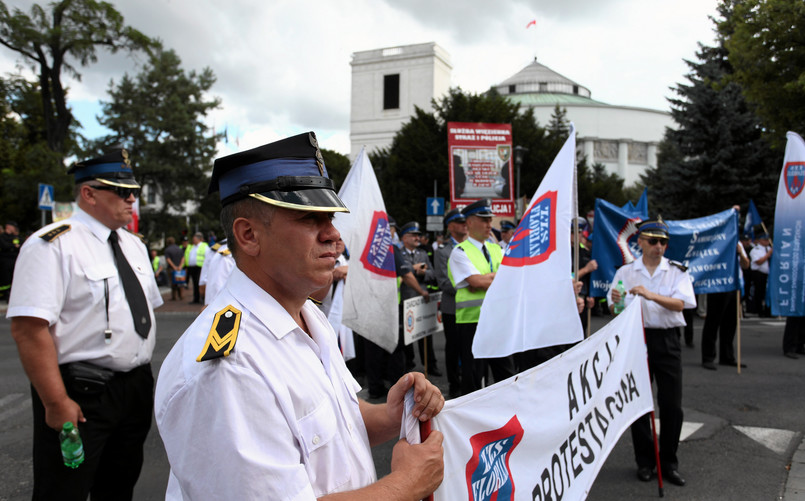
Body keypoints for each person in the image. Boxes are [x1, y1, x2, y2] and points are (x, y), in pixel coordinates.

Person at [154, 132, 444, 500]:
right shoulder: (230, 369)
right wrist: (408, 483)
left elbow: (339, 424)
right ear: (248, 235)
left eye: (331, 218)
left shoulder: (307, 313)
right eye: (310, 218)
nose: (334, 235)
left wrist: (393, 415)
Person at [7, 149, 162, 500]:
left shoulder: (134, 246)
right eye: (122, 191)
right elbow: (29, 330)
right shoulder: (52, 245)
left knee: (119, 486)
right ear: (89, 193)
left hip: (135, 386)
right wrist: (55, 401)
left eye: (134, 191)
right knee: (63, 489)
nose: (132, 199)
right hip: (81, 391)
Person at [608, 217, 695, 487]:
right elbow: (615, 309)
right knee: (639, 405)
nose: (659, 247)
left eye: (663, 242)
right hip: (637, 339)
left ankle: (668, 462)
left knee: (671, 404)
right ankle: (645, 461)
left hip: (666, 339)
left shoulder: (676, 271)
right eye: (653, 241)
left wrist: (650, 295)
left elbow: (681, 304)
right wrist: (615, 302)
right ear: (641, 242)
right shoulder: (626, 272)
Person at [448, 198, 515, 395]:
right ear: (469, 222)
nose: (489, 224)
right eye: (484, 220)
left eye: (490, 220)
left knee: (506, 373)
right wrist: (497, 277)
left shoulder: (497, 249)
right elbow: (476, 282)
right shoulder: (460, 251)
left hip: (498, 319)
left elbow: (511, 277)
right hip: (472, 321)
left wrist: (488, 278)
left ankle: (507, 409)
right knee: (474, 377)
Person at [701, 209, 750, 370]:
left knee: (731, 323)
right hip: (719, 285)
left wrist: (740, 254)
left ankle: (727, 356)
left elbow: (746, 265)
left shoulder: (738, 244)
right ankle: (708, 356)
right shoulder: (718, 241)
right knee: (713, 321)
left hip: (734, 286)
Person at [433, 208, 467, 397]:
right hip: (452, 308)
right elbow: (444, 281)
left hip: (471, 308)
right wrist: (472, 286)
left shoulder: (472, 248)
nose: (465, 225)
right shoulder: (442, 252)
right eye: (460, 223)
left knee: (468, 348)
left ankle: (468, 382)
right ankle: (454, 385)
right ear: (451, 227)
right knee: (453, 348)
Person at [399, 221, 441, 376]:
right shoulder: (399, 253)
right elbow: (401, 273)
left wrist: (423, 273)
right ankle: (407, 364)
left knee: (425, 334)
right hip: (406, 299)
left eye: (418, 235)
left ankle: (430, 364)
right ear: (404, 238)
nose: (417, 238)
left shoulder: (423, 253)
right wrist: (413, 269)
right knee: (407, 334)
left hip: (423, 299)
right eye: (413, 235)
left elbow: (433, 274)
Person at [748, 233, 772, 317]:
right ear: (759, 240)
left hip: (768, 274)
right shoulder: (755, 250)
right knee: (759, 292)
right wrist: (768, 254)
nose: (767, 242)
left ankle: (768, 310)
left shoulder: (769, 248)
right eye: (765, 240)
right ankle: (759, 310)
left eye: (768, 240)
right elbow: (758, 262)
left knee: (767, 293)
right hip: (758, 273)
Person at [184, 231, 209, 304]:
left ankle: (203, 298)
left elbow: (207, 257)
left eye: (195, 239)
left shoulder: (204, 246)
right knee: (195, 283)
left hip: (200, 267)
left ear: (199, 239)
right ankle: (196, 298)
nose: (193, 240)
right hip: (192, 268)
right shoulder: (192, 247)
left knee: (200, 283)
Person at [0, 220, 21, 301]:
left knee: (14, 277)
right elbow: (4, 245)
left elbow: (20, 244)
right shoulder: (2, 237)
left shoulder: (15, 237)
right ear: (8, 227)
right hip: (5, 261)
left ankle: (11, 294)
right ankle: (5, 294)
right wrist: (14, 246)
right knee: (5, 278)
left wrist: (13, 246)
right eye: (13, 227)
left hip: (14, 260)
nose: (15, 228)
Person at [164, 236, 186, 300]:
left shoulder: (167, 250)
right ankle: (181, 295)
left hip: (172, 268)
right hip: (180, 268)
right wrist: (180, 266)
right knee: (180, 281)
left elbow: (168, 259)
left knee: (173, 282)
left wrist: (174, 267)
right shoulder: (179, 248)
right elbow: (183, 258)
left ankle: (174, 296)